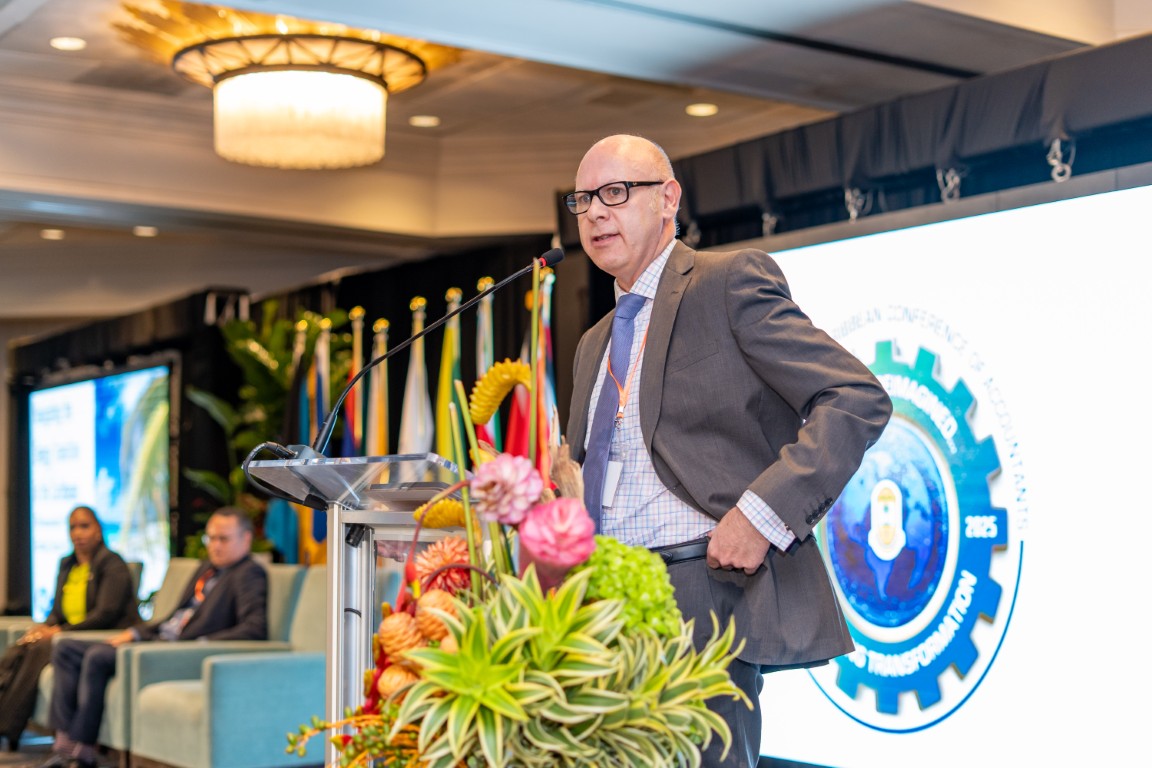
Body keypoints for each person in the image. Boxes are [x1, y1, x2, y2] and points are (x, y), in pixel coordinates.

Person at [564, 134, 892, 767]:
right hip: (599, 606)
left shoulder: (727, 282)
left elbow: (855, 397)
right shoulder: (593, 342)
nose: (596, 212)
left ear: (668, 199)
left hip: (701, 594)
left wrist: (762, 517)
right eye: (583, 200)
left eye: (615, 193)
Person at [39, 506, 268, 768]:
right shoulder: (206, 569)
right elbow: (173, 617)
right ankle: (64, 742)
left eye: (223, 539)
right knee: (65, 648)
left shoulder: (248, 573)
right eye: (211, 538)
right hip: (158, 641)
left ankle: (82, 751)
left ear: (246, 539)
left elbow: (254, 628)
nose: (214, 546)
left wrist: (202, 644)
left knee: (98, 656)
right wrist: (135, 633)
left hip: (178, 652)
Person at [0, 506, 139, 750]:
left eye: (84, 526)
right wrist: (44, 628)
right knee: (20, 648)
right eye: (73, 527)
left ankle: (9, 726)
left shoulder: (112, 564)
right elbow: (57, 611)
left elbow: (105, 614)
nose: (78, 533)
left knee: (41, 649)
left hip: (99, 634)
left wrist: (62, 632)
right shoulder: (67, 564)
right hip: (67, 633)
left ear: (98, 531)